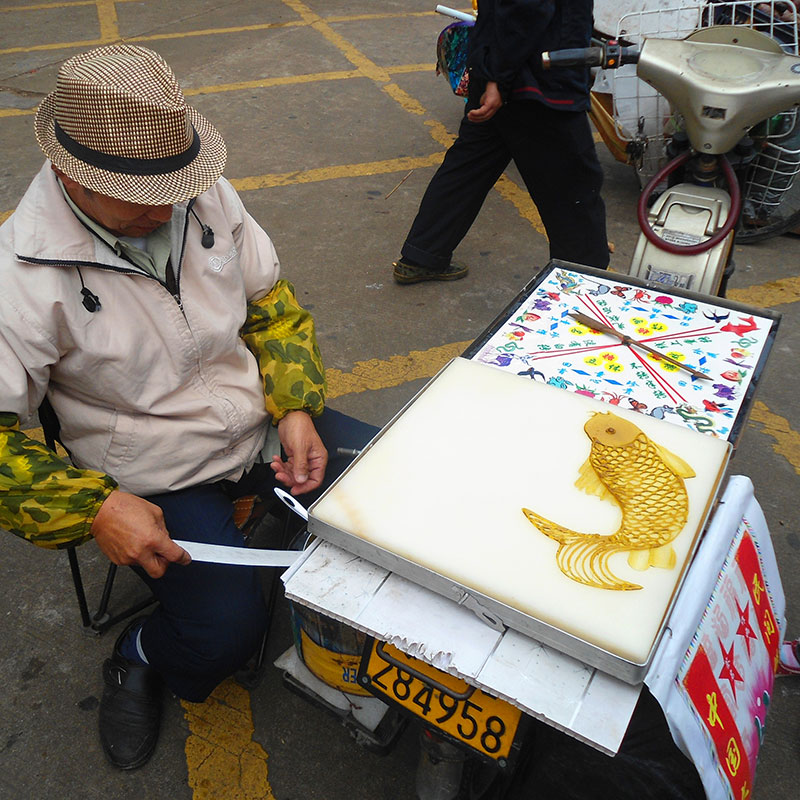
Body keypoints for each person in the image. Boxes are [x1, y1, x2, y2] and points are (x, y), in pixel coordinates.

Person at [0, 44, 376, 770]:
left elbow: (273, 306)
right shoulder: (18, 275)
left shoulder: (203, 196)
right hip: (156, 474)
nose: (166, 206)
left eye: (176, 185)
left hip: (261, 429)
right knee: (222, 638)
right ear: (72, 174)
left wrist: (295, 405)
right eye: (139, 195)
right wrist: (95, 510)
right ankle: (138, 651)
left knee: (395, 497)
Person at [392, 0, 609, 284]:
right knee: (573, 188)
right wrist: (497, 78)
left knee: (470, 167)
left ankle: (423, 255)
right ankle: (583, 282)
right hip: (535, 79)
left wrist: (492, 74)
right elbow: (528, 9)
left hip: (502, 66)